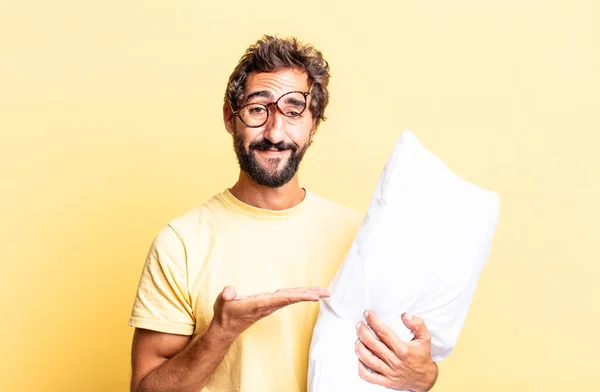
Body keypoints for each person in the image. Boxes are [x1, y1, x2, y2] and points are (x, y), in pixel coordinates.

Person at [128, 35, 438, 392]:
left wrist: (422, 376)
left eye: (293, 110)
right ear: (231, 118)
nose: (275, 132)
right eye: (258, 109)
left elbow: (408, 369)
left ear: (313, 125)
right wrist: (221, 332)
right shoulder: (181, 243)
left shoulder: (362, 240)